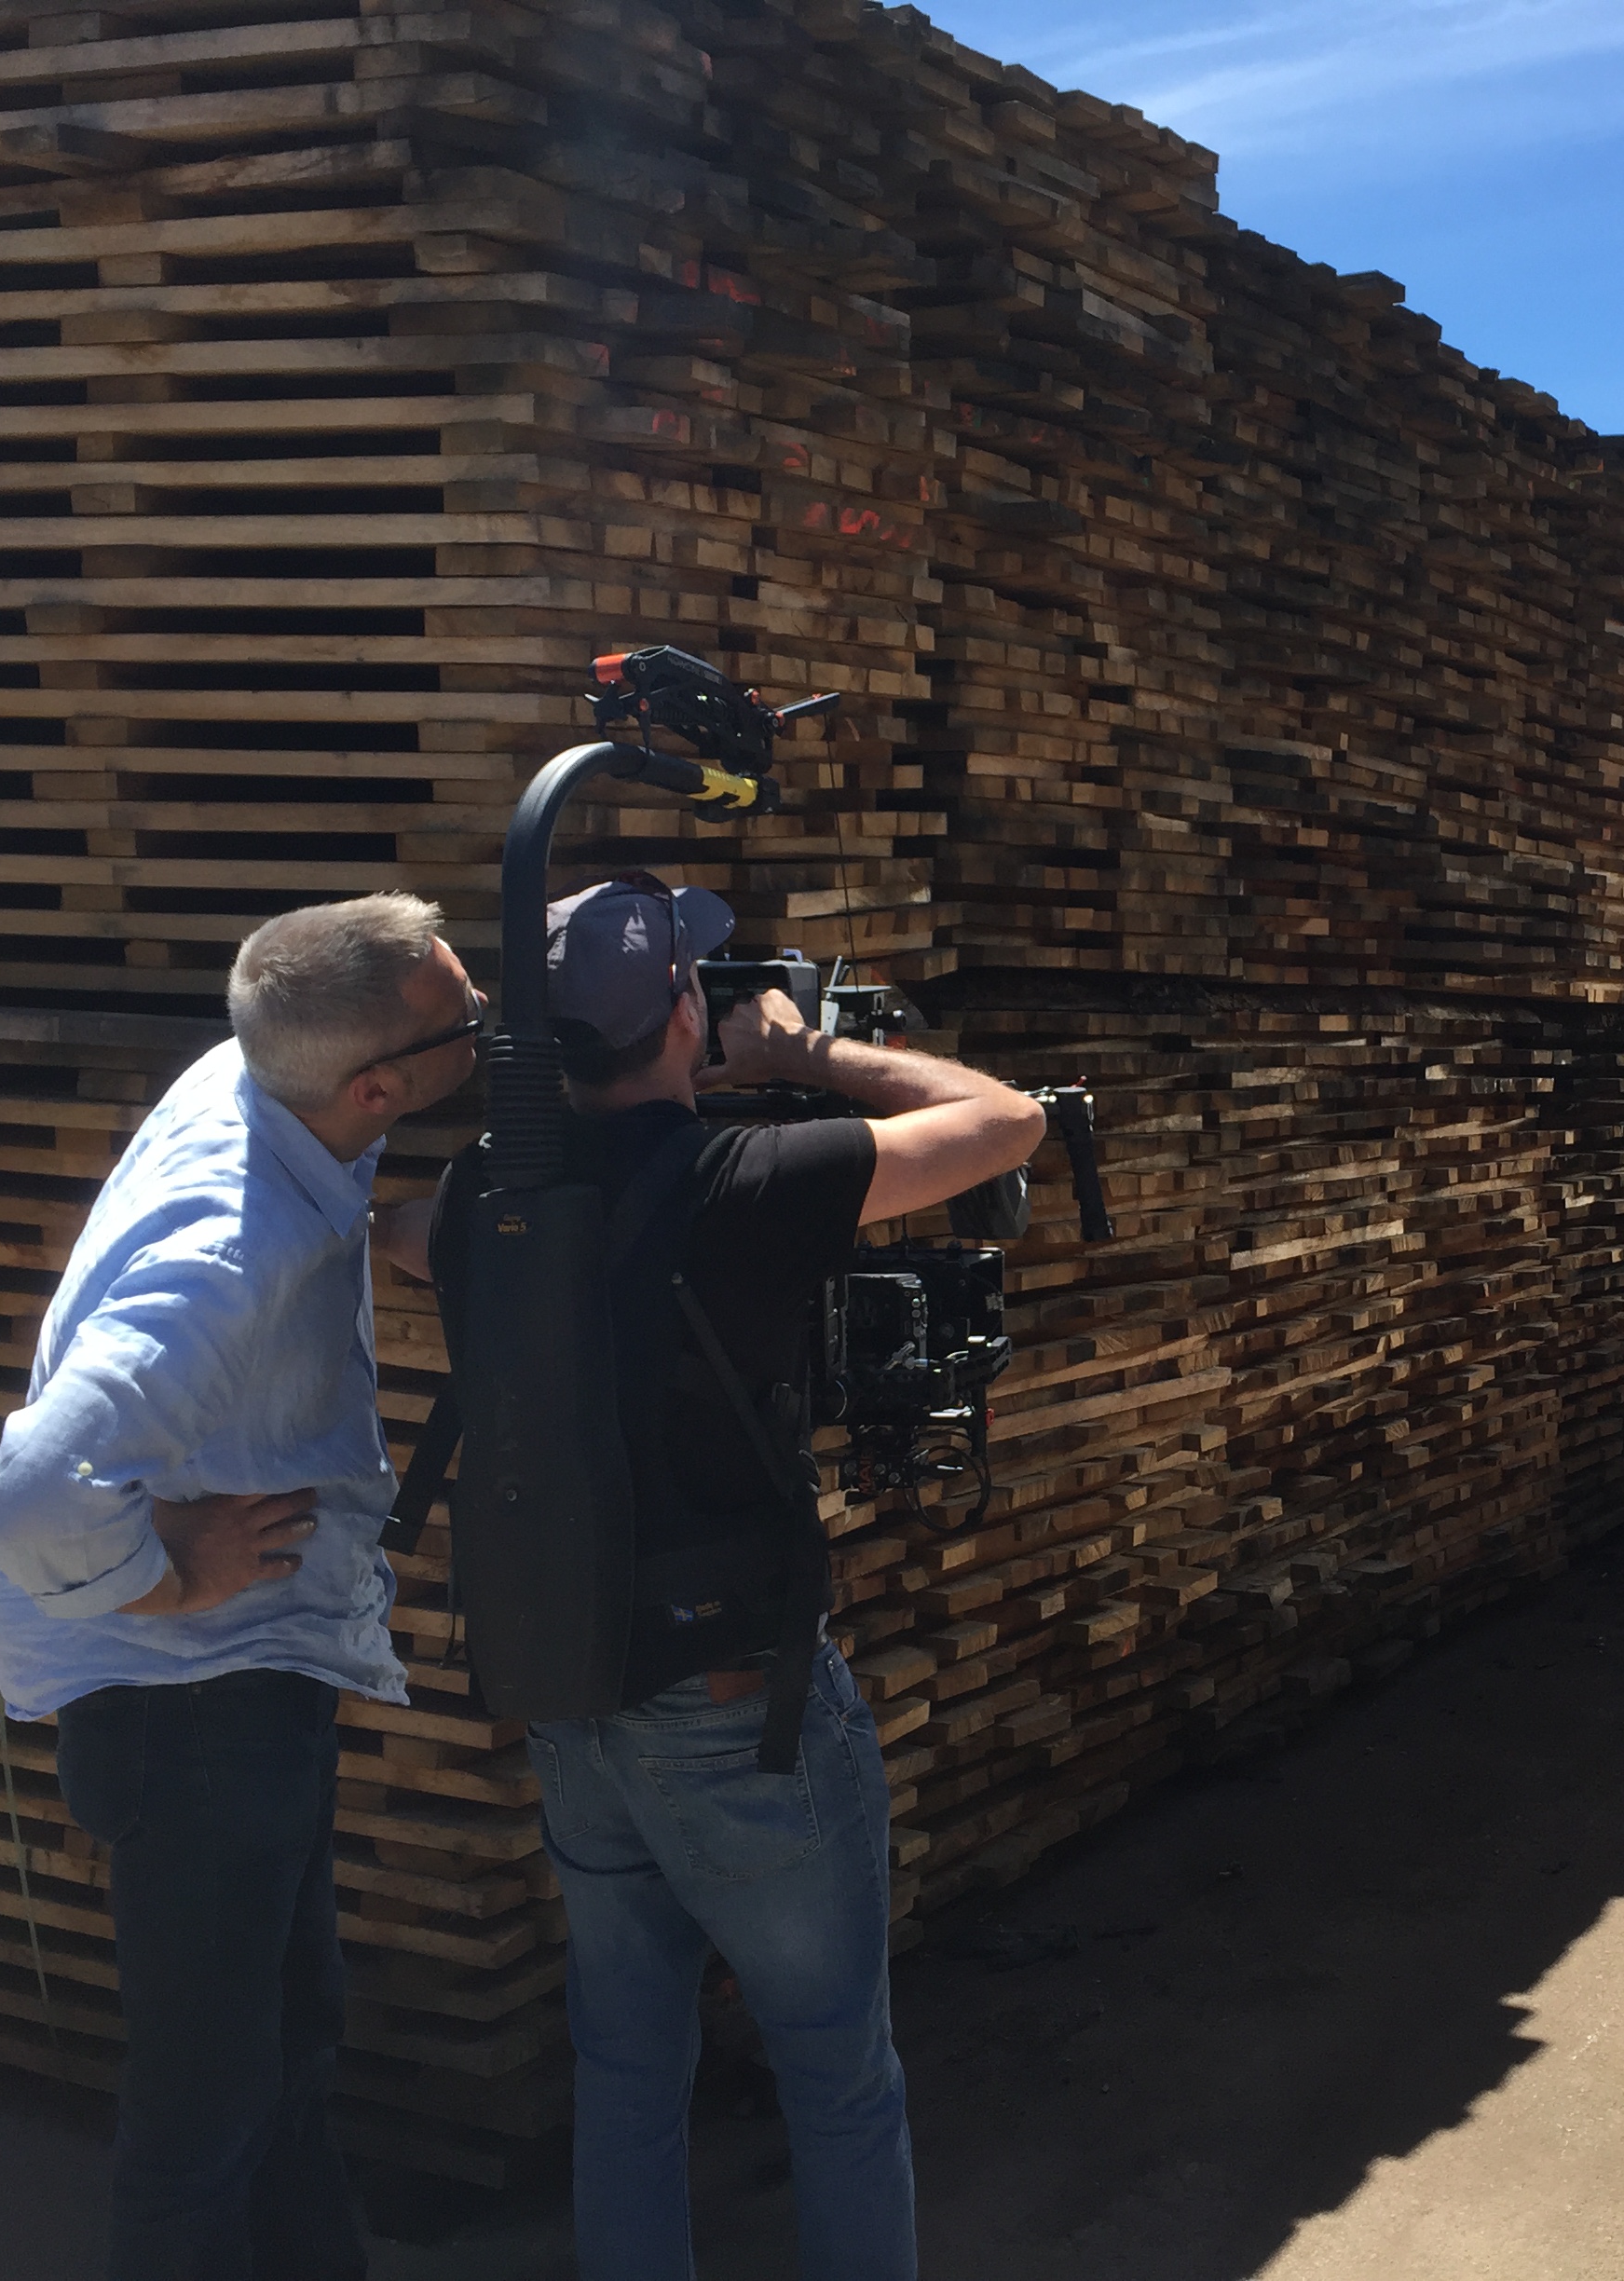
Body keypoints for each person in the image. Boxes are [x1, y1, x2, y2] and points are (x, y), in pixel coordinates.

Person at [412, 874, 1044, 2281]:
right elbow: (1009, 1123)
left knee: (628, 2066)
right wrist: (800, 1055)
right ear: (683, 1014)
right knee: (838, 2072)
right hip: (736, 1701)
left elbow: (393, 1241)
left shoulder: (480, 1203)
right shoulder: (750, 1182)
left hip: (577, 1685)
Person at [0, 893, 482, 2280]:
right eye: (470, 1026)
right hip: (185, 1711)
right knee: (205, 2110)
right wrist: (162, 1575)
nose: (485, 1036)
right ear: (377, 1086)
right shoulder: (227, 1247)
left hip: (246, 1689)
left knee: (287, 2045)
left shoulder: (263, 1073)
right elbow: (36, 1496)